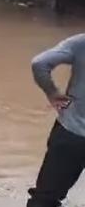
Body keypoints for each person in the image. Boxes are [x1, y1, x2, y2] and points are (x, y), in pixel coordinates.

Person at [28, 34, 85, 207]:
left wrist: (52, 93)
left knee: (45, 198)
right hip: (71, 131)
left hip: (71, 132)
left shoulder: (81, 42)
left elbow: (40, 63)